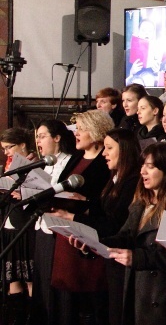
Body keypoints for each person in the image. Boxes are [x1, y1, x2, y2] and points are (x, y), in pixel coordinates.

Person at [102, 143, 166, 325]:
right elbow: (126, 235)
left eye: (150, 166)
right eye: (142, 166)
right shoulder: (142, 201)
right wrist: (97, 243)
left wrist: (138, 258)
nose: (143, 172)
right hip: (141, 290)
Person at [68, 129, 142, 325]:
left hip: (123, 257)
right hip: (110, 256)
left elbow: (116, 223)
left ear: (125, 150)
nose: (104, 153)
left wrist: (74, 217)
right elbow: (103, 209)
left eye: (109, 148)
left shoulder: (133, 181)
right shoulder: (115, 178)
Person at [49, 110, 114, 325]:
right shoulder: (77, 157)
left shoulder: (106, 161)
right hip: (65, 231)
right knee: (67, 303)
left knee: (90, 302)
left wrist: (85, 203)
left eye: (82, 129)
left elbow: (108, 202)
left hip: (87, 236)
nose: (76, 133)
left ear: (96, 132)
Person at [30, 120, 76, 325]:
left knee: (55, 288)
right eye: (37, 137)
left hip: (58, 229)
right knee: (40, 284)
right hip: (41, 226)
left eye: (42, 136)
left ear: (57, 138)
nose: (38, 141)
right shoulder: (43, 163)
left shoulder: (69, 162)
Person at [1, 127, 37, 324]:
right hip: (10, 224)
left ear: (22, 145)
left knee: (30, 280)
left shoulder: (34, 164)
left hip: (26, 226)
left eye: (9, 147)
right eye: (4, 149)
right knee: (12, 281)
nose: (6, 152)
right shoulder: (10, 165)